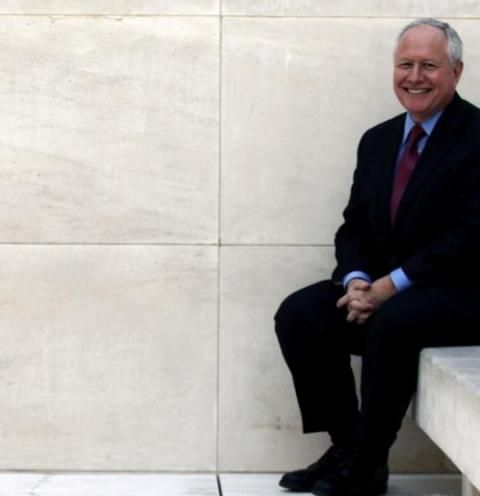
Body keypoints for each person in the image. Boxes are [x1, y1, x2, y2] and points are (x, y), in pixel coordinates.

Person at [274, 18, 480, 496]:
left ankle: (368, 464)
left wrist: (391, 286)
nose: (415, 76)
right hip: (388, 288)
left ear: (456, 71)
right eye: (405, 64)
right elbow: (355, 225)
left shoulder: (477, 137)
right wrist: (357, 280)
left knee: (395, 321)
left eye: (429, 65)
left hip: (461, 292)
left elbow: (470, 237)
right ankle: (346, 445)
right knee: (301, 313)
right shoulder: (378, 140)